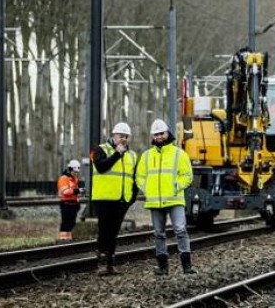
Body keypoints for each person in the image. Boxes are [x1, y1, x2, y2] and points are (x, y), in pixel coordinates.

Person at [135, 118, 195, 275]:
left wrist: (176, 186)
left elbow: (187, 175)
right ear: (152, 136)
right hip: (155, 202)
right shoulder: (146, 156)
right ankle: (163, 268)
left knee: (181, 230)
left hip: (175, 199)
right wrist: (147, 189)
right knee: (159, 234)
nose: (159, 137)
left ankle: (187, 266)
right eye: (155, 135)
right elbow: (139, 177)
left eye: (161, 133)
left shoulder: (179, 154)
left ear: (167, 133)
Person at [91, 122, 137, 275]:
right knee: (104, 230)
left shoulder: (132, 155)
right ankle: (101, 263)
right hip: (103, 198)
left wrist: (132, 198)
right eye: (120, 136)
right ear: (113, 135)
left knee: (114, 232)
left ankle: (110, 264)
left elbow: (134, 178)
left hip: (122, 200)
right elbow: (101, 167)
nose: (123, 139)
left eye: (126, 136)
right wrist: (117, 154)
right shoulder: (100, 149)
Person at [56, 160, 81, 242]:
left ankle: (68, 238)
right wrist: (77, 190)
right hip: (66, 203)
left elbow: (76, 194)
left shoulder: (75, 179)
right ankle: (63, 238)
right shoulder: (63, 179)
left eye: (77, 172)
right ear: (70, 170)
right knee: (66, 221)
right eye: (74, 172)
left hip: (73, 204)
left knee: (72, 221)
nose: (76, 173)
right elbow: (65, 192)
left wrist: (77, 202)